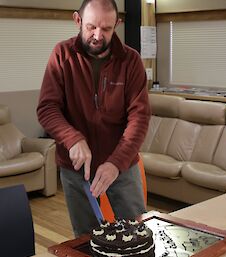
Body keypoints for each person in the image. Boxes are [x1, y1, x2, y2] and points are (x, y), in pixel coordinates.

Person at [37, 0, 151, 237]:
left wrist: (115, 163)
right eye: (91, 27)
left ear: (117, 24)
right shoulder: (62, 55)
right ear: (77, 20)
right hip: (75, 169)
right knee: (86, 239)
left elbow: (139, 119)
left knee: (135, 235)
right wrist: (72, 139)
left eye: (107, 29)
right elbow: (47, 108)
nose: (98, 36)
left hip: (122, 167)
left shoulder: (131, 61)